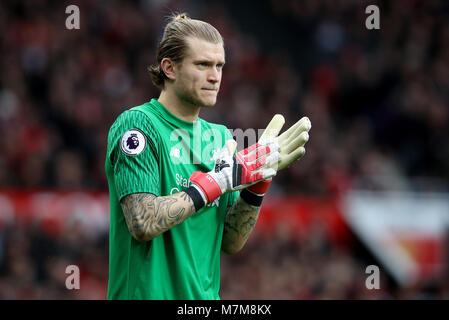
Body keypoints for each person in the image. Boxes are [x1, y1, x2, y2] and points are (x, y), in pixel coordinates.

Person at [105, 13, 311, 300]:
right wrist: (216, 181)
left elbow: (230, 241)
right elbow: (142, 221)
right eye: (202, 65)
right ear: (169, 68)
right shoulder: (138, 125)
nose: (215, 76)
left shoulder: (220, 138)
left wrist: (257, 183)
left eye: (219, 66)